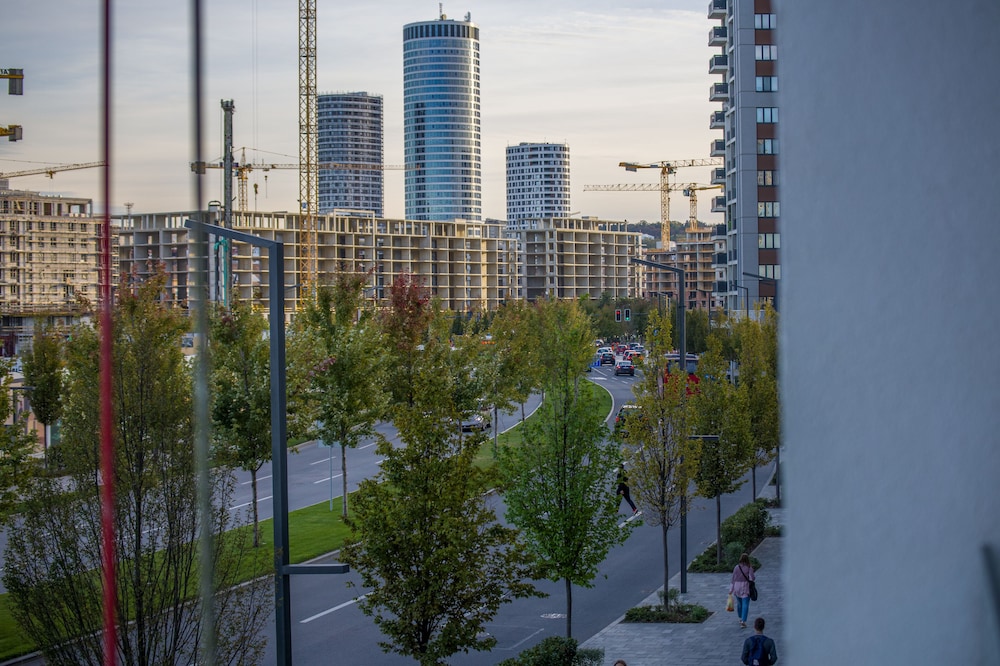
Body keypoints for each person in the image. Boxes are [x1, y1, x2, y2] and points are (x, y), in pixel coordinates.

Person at [729, 552, 755, 628]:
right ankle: (743, 620)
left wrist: (731, 589)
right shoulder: (749, 567)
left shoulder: (736, 567)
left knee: (739, 603)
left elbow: (733, 578)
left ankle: (740, 616)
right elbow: (752, 578)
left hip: (737, 587)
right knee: (745, 603)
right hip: (745, 587)